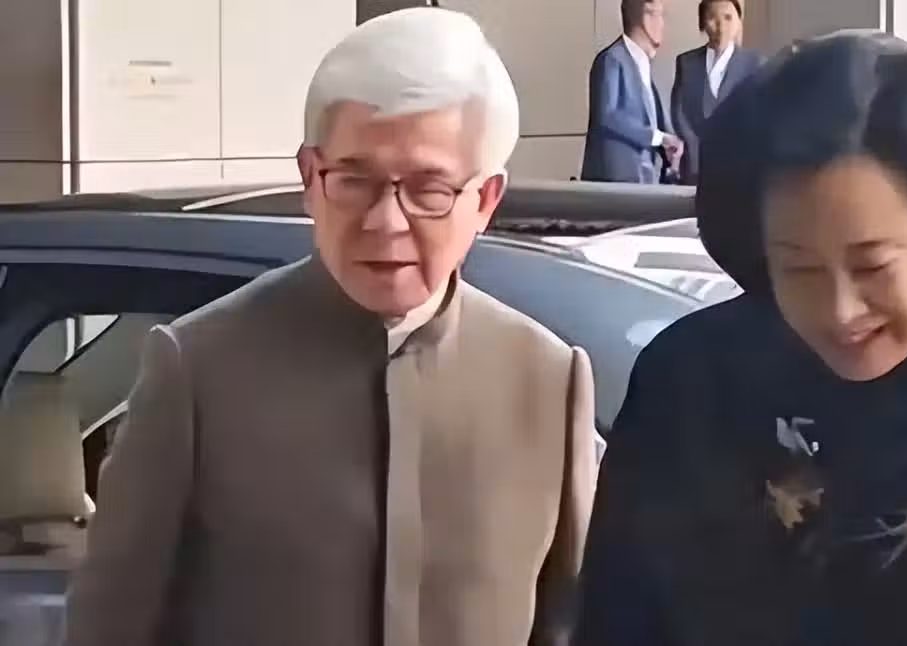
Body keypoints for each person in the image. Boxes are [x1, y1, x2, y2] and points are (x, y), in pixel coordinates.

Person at [64, 8, 597, 646]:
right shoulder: (199, 370)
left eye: (428, 190)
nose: (386, 222)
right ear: (309, 179)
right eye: (353, 180)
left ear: (485, 200)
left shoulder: (548, 382)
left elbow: (572, 624)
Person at [575, 31, 907, 646]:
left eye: (873, 266)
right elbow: (616, 618)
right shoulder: (690, 380)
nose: (839, 310)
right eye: (798, 268)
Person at [581, 0, 683, 184]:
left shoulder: (644, 67)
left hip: (645, 182)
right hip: (616, 183)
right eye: (660, 15)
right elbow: (608, 115)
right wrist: (658, 138)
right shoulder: (612, 60)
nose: (663, 24)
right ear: (646, 18)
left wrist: (669, 144)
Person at [669, 0, 764, 184]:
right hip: (693, 164)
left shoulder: (754, 63)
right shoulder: (686, 62)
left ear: (738, 22)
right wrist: (693, 148)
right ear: (702, 22)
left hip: (737, 164)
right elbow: (678, 111)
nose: (721, 26)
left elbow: (757, 115)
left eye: (728, 18)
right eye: (713, 18)